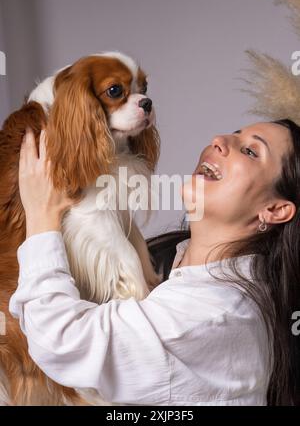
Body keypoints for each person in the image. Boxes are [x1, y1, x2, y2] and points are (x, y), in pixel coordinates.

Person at [9, 119, 300, 406]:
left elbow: (62, 340)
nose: (219, 140)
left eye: (250, 151)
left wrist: (41, 214)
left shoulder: (214, 313)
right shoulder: (165, 262)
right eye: (235, 134)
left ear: (274, 210)